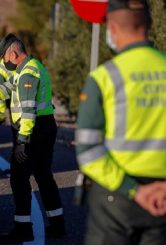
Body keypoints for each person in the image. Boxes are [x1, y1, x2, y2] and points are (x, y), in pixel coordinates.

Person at [75, 0, 166, 244]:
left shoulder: (104, 78)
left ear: (112, 28)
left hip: (115, 201)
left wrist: (134, 190)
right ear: (149, 24)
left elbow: (87, 151)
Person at [0, 33, 65, 242]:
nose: (3, 63)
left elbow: (28, 113)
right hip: (45, 126)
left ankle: (23, 228)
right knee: (44, 176)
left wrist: (23, 142)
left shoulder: (27, 74)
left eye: (4, 59)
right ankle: (58, 225)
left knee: (19, 178)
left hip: (33, 130)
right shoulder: (28, 68)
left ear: (13, 53)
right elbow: (7, 88)